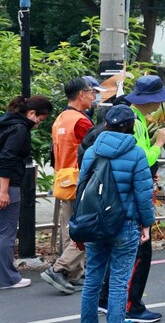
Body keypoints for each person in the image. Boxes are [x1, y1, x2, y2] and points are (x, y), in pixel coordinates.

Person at [102, 75, 165, 322]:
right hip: (134, 198)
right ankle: (132, 304)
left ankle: (106, 299)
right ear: (152, 100)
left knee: (118, 253)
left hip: (116, 197)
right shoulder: (137, 123)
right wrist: (160, 143)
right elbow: (142, 161)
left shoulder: (133, 117)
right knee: (140, 253)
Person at [79, 105, 155, 323]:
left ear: (106, 124)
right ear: (131, 126)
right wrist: (147, 225)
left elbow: (82, 188)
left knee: (92, 279)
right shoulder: (136, 153)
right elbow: (143, 194)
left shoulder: (92, 151)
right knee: (119, 282)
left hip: (94, 223)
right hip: (125, 224)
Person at [42, 77, 100, 294]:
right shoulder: (81, 121)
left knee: (70, 226)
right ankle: (61, 269)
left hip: (63, 179)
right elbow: (95, 150)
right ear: (82, 94)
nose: (94, 97)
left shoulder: (61, 118)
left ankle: (73, 274)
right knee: (85, 227)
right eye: (91, 92)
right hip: (80, 180)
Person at [0, 95, 53, 290]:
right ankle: (7, 278)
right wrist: (3, 190)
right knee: (6, 233)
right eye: (41, 118)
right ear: (31, 113)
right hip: (8, 184)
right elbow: (7, 159)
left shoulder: (5, 122)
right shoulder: (20, 129)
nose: (40, 123)